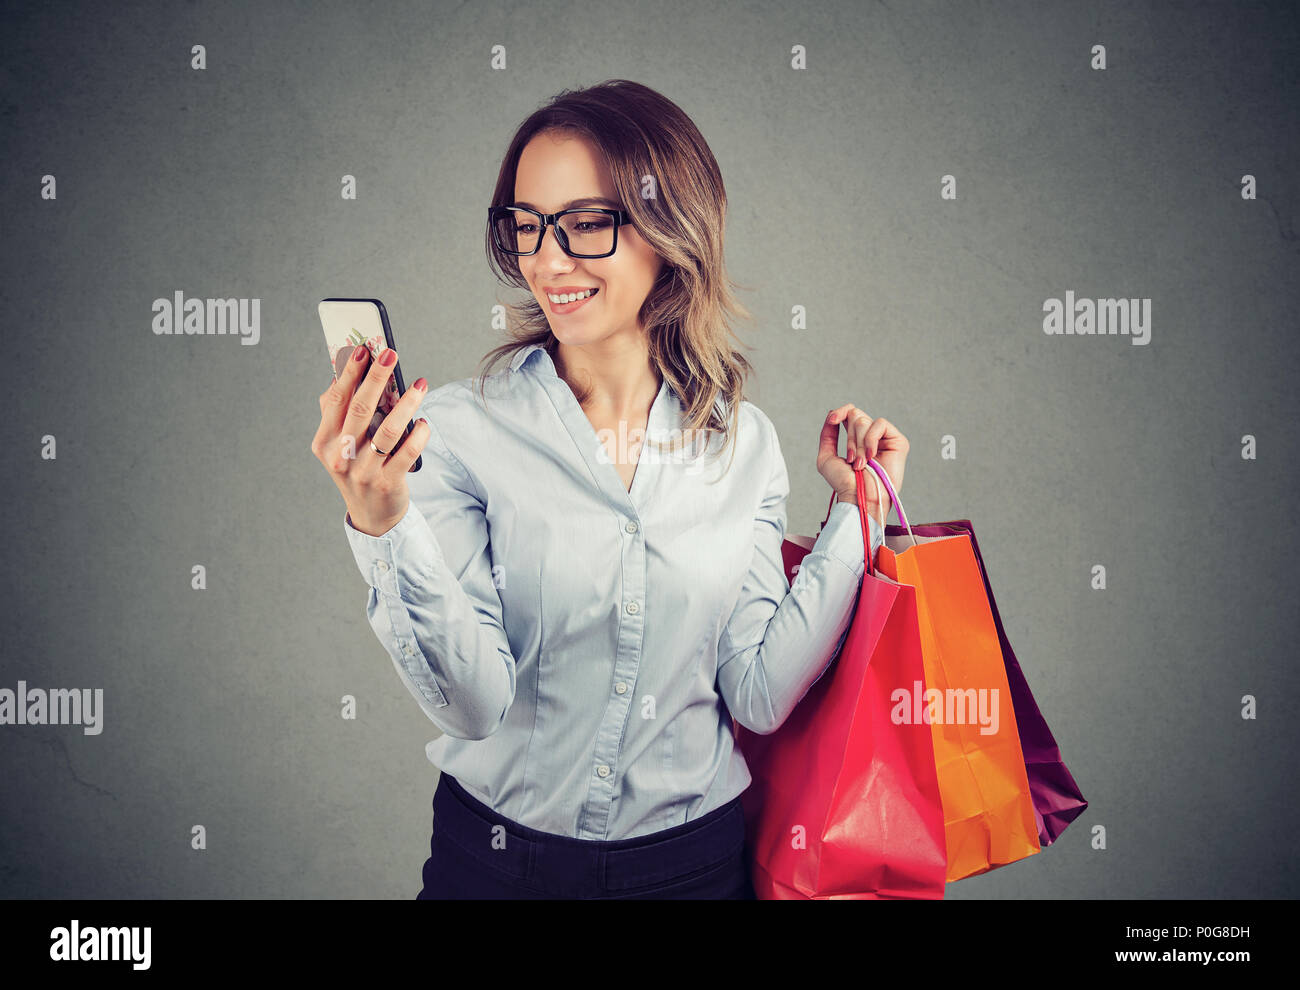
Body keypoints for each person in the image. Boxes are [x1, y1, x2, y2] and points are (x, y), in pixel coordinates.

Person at [311, 79, 908, 899]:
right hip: (494, 866)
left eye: (586, 224)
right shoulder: (458, 432)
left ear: (671, 230)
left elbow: (761, 691)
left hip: (691, 871)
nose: (547, 261)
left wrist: (854, 514)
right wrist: (381, 525)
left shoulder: (745, 445)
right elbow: (473, 704)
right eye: (526, 227)